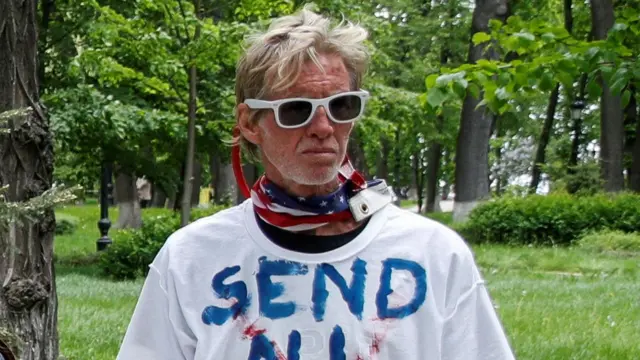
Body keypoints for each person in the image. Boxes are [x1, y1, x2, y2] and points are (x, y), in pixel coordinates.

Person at [116, 8, 515, 360]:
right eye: (296, 110)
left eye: (341, 106)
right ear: (250, 123)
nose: (323, 128)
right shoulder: (191, 258)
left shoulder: (434, 254)